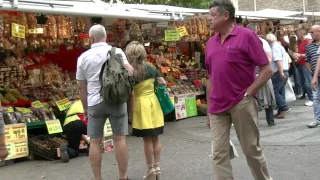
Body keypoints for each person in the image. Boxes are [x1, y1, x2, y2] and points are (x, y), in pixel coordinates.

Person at [206, 1, 273, 180]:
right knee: (219, 153)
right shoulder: (210, 43)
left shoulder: (247, 36)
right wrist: (208, 108)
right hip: (217, 105)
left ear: (226, 15)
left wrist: (248, 93)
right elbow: (211, 77)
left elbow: (267, 70)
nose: (209, 19)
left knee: (251, 149)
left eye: (212, 15)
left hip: (241, 102)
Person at [76, 24, 133, 180]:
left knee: (95, 141)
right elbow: (130, 71)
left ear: (91, 38)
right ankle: (123, 176)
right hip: (116, 98)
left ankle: (98, 178)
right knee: (120, 138)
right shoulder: (117, 52)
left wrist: (85, 108)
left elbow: (82, 87)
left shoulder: (83, 57)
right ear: (105, 36)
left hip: (94, 102)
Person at [126, 41, 166, 180]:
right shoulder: (150, 68)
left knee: (147, 140)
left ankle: (150, 169)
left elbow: (131, 95)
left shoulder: (130, 71)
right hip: (153, 103)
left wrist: (130, 113)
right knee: (156, 137)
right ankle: (158, 167)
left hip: (140, 105)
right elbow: (162, 82)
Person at [247, 23, 276, 127]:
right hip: (257, 73)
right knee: (263, 98)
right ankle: (269, 121)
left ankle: (260, 121)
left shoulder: (261, 42)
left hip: (257, 73)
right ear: (257, 30)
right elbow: (269, 58)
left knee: (258, 98)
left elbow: (268, 58)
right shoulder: (262, 41)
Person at [266, 33, 290, 119]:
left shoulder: (274, 48)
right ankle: (281, 111)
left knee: (274, 91)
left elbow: (278, 60)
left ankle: (284, 107)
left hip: (279, 72)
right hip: (284, 70)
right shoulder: (280, 46)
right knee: (280, 91)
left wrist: (280, 72)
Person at [294, 29, 313, 106]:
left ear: (301, 33)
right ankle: (308, 96)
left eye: (297, 33)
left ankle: (312, 98)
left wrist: (300, 55)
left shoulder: (308, 41)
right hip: (300, 63)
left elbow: (310, 53)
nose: (296, 35)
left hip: (306, 64)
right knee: (302, 82)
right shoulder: (300, 42)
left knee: (308, 82)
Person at [306, 25, 320, 128]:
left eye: (312, 32)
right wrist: (313, 73)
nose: (310, 34)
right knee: (316, 97)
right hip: (316, 75)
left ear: (318, 32)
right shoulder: (309, 46)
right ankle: (317, 118)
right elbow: (307, 60)